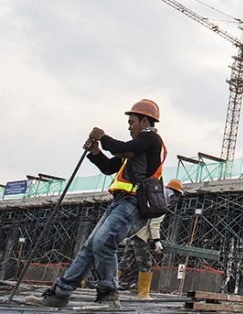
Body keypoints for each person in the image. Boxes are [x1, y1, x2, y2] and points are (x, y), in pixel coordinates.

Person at [25, 99, 167, 309]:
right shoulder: (135, 151)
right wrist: (95, 152)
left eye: (132, 121)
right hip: (120, 202)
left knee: (103, 242)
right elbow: (110, 167)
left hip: (134, 204)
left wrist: (102, 137)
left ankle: (109, 295)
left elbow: (121, 147)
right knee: (90, 246)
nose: (129, 126)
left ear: (145, 121)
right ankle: (60, 293)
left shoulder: (150, 139)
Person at [118, 178, 184, 299]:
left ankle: (108, 284)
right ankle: (143, 294)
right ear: (174, 193)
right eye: (177, 196)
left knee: (125, 262)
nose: (176, 199)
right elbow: (154, 224)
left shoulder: (155, 197)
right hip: (141, 237)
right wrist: (157, 241)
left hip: (133, 234)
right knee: (145, 264)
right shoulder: (162, 203)